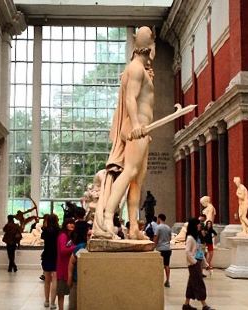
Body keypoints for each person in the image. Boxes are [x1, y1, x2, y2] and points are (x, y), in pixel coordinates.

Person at [93, 26, 156, 240]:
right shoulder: (136, 69)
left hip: (142, 130)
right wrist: (137, 124)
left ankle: (134, 228)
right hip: (135, 128)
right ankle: (108, 217)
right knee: (129, 172)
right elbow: (131, 99)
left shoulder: (140, 70)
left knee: (137, 180)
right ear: (150, 48)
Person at [183, 218, 212, 310]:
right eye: (198, 224)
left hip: (197, 262)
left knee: (191, 284)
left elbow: (199, 251)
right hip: (193, 264)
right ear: (194, 225)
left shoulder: (196, 237)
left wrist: (206, 263)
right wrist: (194, 262)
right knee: (199, 283)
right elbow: (187, 252)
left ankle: (186, 305)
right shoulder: (190, 238)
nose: (200, 225)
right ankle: (204, 305)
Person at [67, 221, 90, 310]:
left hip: (88, 283)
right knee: (73, 305)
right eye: (88, 235)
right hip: (76, 281)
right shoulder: (80, 247)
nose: (90, 238)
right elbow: (71, 262)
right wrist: (70, 277)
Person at [56, 218, 76, 310]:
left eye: (73, 223)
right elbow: (63, 250)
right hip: (63, 268)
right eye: (69, 223)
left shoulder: (69, 236)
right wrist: (75, 247)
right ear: (65, 225)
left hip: (67, 267)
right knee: (61, 292)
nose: (72, 225)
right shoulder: (63, 236)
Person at [42, 214, 60, 309]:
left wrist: (45, 226)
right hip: (56, 256)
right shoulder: (59, 231)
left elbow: (42, 237)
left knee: (47, 280)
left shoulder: (45, 231)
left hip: (46, 255)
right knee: (55, 280)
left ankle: (46, 301)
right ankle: (53, 302)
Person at [153, 213, 172, 287]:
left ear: (159, 218)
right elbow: (170, 238)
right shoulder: (168, 227)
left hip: (160, 248)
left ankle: (159, 280)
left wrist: (153, 246)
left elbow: (156, 238)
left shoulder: (158, 227)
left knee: (159, 265)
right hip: (167, 248)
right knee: (167, 265)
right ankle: (167, 280)